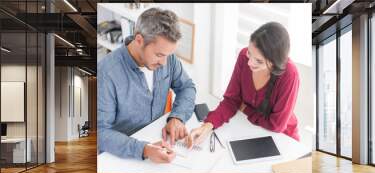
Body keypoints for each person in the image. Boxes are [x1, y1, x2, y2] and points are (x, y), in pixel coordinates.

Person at [98, 8, 196, 163]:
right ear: (139, 40)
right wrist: (143, 150)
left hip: (158, 140)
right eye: (159, 55)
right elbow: (101, 132)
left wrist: (177, 117)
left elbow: (186, 87)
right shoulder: (107, 73)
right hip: (122, 154)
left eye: (167, 55)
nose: (164, 63)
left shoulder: (167, 59)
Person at [186, 22, 299, 148]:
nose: (250, 63)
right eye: (250, 53)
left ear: (274, 62)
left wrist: (245, 108)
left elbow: (276, 125)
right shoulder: (243, 57)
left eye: (259, 61)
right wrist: (207, 126)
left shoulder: (289, 74)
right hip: (247, 128)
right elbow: (231, 101)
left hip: (283, 139)